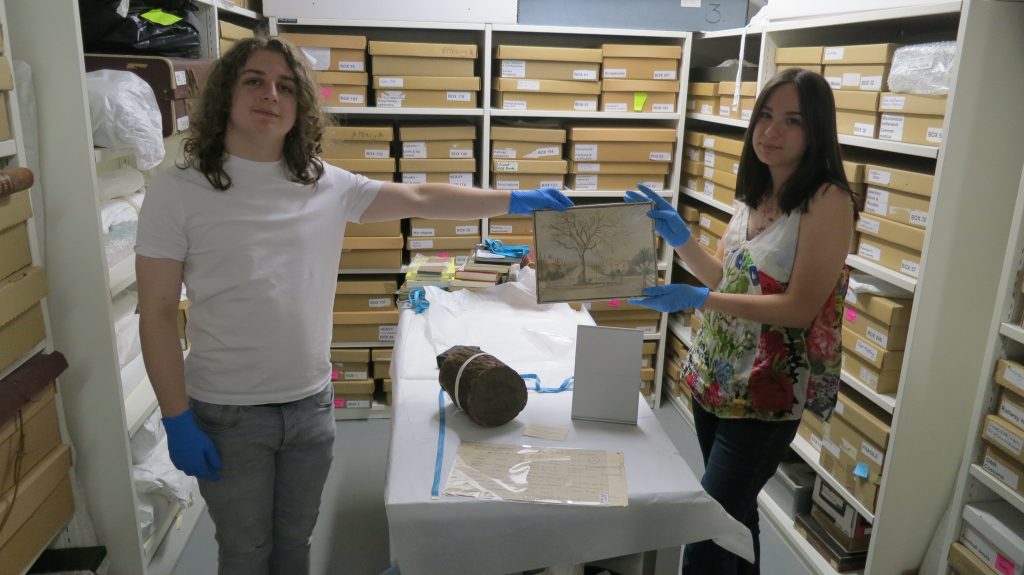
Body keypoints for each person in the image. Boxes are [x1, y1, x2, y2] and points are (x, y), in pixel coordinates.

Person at [134, 36, 572, 575]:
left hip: (311, 406)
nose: (270, 94)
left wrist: (513, 200)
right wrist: (176, 416)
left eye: (286, 86)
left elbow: (420, 199)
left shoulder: (323, 183)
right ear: (226, 94)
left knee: (295, 543)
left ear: (300, 108)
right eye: (254, 80)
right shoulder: (178, 190)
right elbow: (154, 313)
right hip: (228, 412)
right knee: (245, 552)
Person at [626, 68, 860, 574]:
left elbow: (799, 307)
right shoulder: (758, 192)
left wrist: (700, 300)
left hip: (765, 393)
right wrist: (679, 236)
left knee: (706, 524)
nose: (771, 132)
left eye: (792, 120)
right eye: (765, 116)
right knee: (737, 516)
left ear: (816, 129)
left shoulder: (827, 201)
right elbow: (727, 276)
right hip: (715, 377)